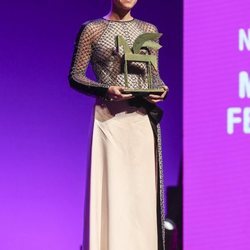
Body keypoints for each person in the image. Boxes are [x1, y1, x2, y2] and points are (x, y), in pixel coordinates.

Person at [68, 0, 169, 250]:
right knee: (112, 192)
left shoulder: (147, 29)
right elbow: (75, 76)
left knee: (140, 196)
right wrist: (105, 89)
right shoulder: (93, 29)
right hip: (109, 120)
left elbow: (152, 75)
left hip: (140, 122)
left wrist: (159, 89)